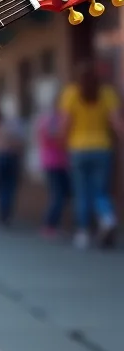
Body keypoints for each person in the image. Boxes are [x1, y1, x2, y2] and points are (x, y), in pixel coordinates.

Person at [60, 61, 122, 250]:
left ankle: (83, 232)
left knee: (81, 192)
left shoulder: (71, 94)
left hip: (78, 149)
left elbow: (65, 125)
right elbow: (117, 122)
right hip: (102, 148)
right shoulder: (107, 94)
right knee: (100, 190)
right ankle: (107, 217)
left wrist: (61, 144)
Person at [35, 79, 70, 238]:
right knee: (58, 194)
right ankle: (49, 225)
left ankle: (53, 224)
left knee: (61, 193)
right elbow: (53, 137)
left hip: (58, 161)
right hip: (54, 161)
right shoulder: (52, 118)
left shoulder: (51, 117)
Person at [0, 96, 24, 225]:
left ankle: (2, 212)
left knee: (1, 186)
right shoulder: (9, 126)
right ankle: (5, 213)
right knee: (8, 187)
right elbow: (16, 143)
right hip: (8, 157)